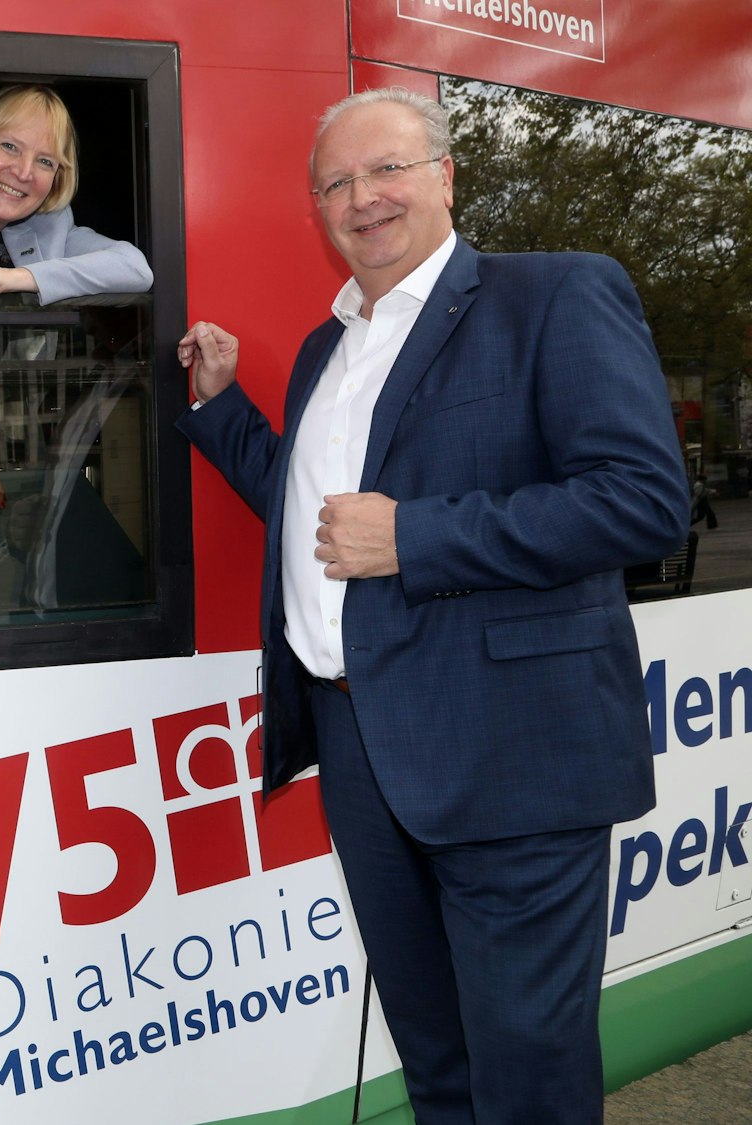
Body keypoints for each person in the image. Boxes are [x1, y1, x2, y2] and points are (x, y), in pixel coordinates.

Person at [175, 88, 686, 1123]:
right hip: (360, 745)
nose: (362, 199)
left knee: (525, 1078)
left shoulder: (553, 296)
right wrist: (221, 412)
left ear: (445, 177)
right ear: (316, 206)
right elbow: (310, 507)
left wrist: (414, 537)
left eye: (387, 170)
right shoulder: (327, 350)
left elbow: (641, 503)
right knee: (437, 1062)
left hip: (512, 752)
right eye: (336, 183)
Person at [0, 85, 152, 512]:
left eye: (45, 161)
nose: (23, 172)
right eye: (9, 146)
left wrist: (13, 278)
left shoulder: (47, 232)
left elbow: (135, 268)